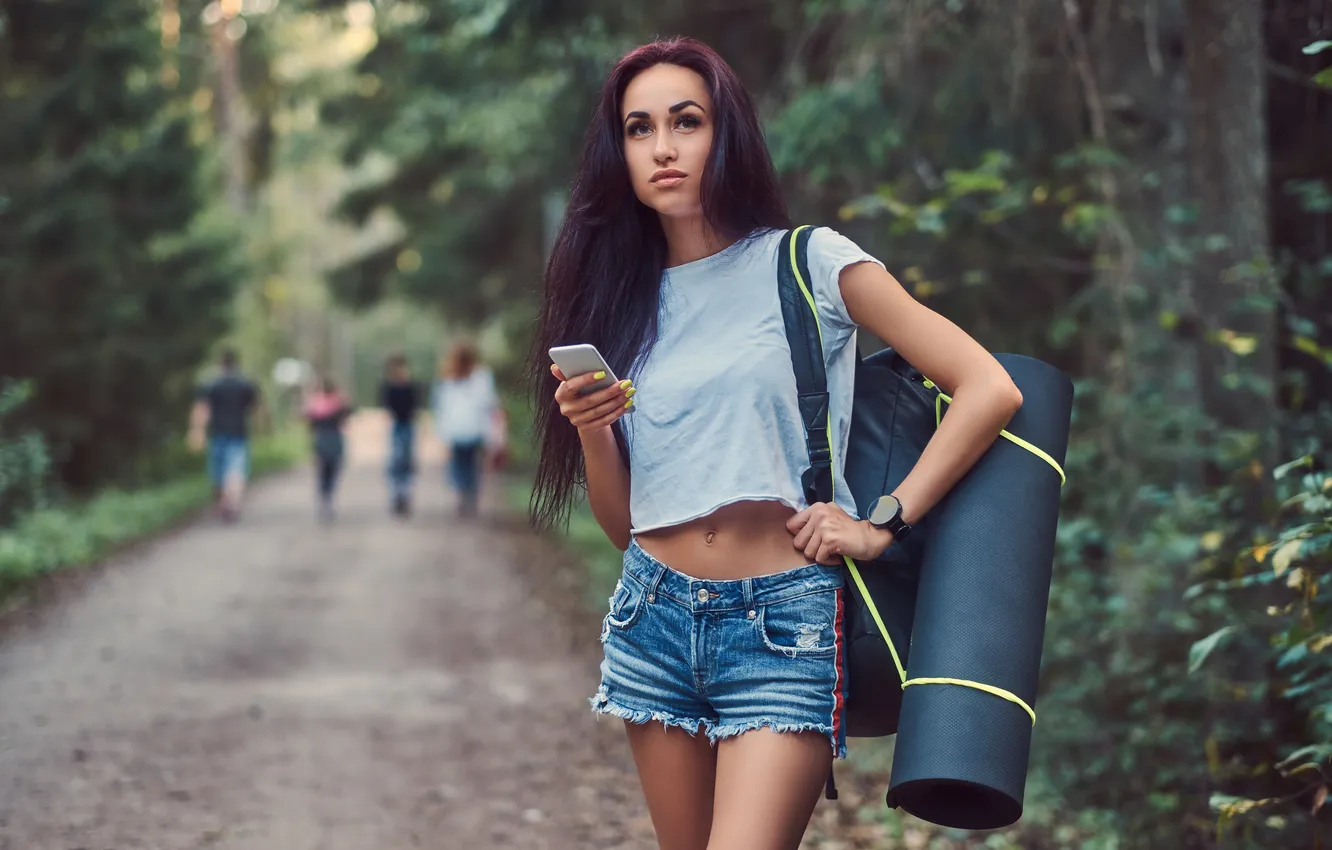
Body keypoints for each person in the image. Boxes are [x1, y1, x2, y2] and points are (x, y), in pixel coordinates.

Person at [527, 38, 1024, 850]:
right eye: (638, 128)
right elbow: (626, 528)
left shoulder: (809, 262)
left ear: (727, 134)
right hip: (651, 614)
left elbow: (989, 388)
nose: (662, 147)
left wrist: (879, 523)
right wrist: (592, 435)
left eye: (686, 122)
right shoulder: (620, 302)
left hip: (782, 625)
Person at [189, 348, 259, 523]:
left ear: (220, 364)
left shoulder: (210, 384)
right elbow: (255, 408)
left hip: (217, 434)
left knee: (218, 473)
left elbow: (201, 409)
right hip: (239, 433)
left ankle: (223, 503)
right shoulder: (245, 385)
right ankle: (232, 504)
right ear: (235, 363)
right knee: (236, 471)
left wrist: (197, 432)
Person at [430, 340, 499, 518]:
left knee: (461, 465)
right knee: (470, 466)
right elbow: (488, 403)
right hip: (470, 429)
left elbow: (441, 407)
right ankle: (468, 497)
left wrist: (441, 432)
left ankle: (464, 495)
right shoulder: (480, 377)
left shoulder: (451, 377)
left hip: (461, 430)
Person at [303, 376, 353, 523]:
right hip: (334, 439)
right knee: (332, 471)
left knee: (323, 472)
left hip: (321, 440)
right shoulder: (338, 402)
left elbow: (309, 421)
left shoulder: (315, 403)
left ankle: (324, 498)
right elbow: (348, 413)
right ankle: (328, 498)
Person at [379, 353, 421, 517]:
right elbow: (387, 408)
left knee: (407, 461)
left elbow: (415, 408)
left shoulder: (412, 387)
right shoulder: (388, 387)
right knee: (395, 461)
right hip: (396, 427)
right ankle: (396, 495)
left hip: (408, 426)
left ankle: (405, 494)